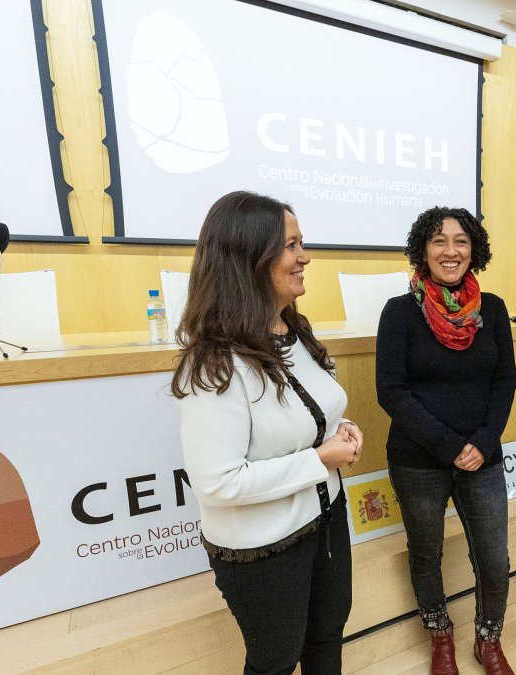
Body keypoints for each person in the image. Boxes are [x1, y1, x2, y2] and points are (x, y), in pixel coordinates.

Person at [172, 191, 363, 675]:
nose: (305, 257)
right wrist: (321, 459)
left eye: (302, 243)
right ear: (247, 259)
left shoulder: (293, 329)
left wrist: (336, 430)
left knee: (327, 639)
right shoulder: (214, 361)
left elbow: (306, 414)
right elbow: (218, 482)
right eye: (291, 246)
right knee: (275, 660)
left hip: (327, 519)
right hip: (264, 549)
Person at [376, 206, 516, 675]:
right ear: (422, 250)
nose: (451, 250)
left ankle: (488, 640)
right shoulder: (399, 312)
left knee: (495, 561)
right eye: (439, 240)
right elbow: (391, 391)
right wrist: (449, 446)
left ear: (474, 249)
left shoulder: (492, 309)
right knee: (426, 553)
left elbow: (505, 381)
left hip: (484, 456)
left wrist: (481, 441)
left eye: (461, 240)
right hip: (418, 459)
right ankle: (441, 637)